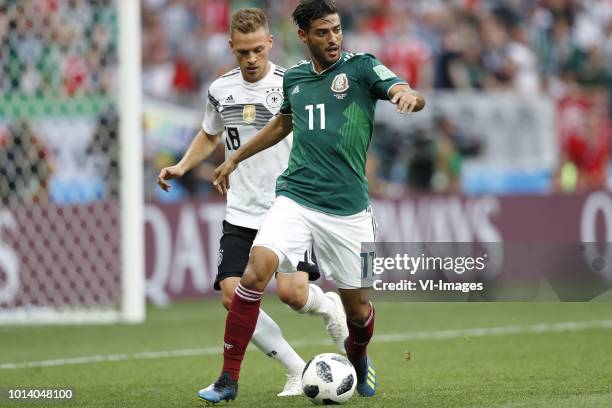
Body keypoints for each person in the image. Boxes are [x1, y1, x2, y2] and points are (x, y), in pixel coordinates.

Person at [198, 0, 425, 404]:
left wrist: (407, 95)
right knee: (254, 274)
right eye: (322, 32)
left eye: (336, 29)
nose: (333, 38)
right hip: (295, 197)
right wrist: (234, 157)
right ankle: (228, 379)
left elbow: (400, 88)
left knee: (358, 311)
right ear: (303, 36)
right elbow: (283, 122)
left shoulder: (361, 67)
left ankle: (357, 356)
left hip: (349, 210)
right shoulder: (297, 78)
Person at [156, 8, 348, 398]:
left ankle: (328, 306)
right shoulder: (220, 89)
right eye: (242, 52)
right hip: (242, 210)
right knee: (233, 295)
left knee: (294, 296)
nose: (251, 59)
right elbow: (209, 135)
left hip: (288, 207)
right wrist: (181, 165)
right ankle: (296, 369)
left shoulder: (292, 84)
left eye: (258, 50)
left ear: (270, 44)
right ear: (231, 47)